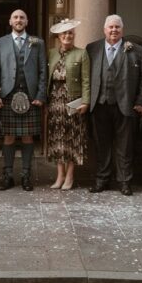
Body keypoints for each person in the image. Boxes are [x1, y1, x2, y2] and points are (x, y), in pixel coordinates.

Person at [86, 15, 142, 196]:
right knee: (101, 144)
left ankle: (124, 181)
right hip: (99, 104)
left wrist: (141, 102)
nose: (114, 30)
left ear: (122, 29)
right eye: (111, 27)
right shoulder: (92, 48)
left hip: (126, 105)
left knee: (125, 146)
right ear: (104, 29)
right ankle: (102, 179)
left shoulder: (136, 50)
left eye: (117, 27)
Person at [0, 9, 47, 191]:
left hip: (30, 96)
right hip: (7, 95)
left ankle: (26, 175)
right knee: (8, 137)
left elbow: (42, 72)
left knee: (28, 136)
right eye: (15, 17)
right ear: (10, 21)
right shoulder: (1, 42)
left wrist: (40, 95)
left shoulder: (38, 42)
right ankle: (7, 175)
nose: (19, 20)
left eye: (22, 17)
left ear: (27, 21)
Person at [46, 19, 90, 190]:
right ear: (58, 36)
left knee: (72, 138)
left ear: (74, 35)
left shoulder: (82, 53)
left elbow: (86, 80)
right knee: (57, 138)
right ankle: (60, 175)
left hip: (74, 101)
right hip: (55, 100)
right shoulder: (51, 53)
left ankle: (70, 175)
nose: (67, 36)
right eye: (64, 33)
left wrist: (86, 101)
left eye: (70, 32)